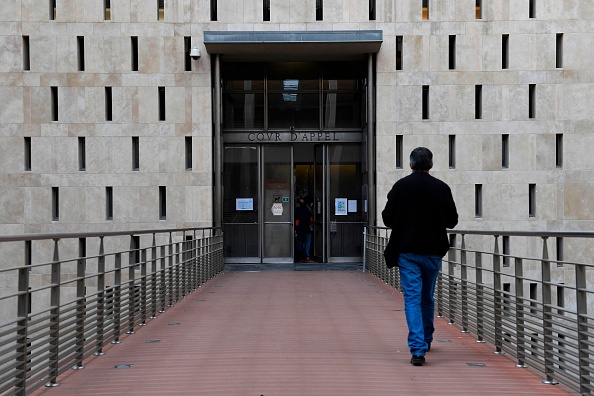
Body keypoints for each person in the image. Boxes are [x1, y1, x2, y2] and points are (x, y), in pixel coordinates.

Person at [381, 147, 458, 366]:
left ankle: (418, 349)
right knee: (427, 296)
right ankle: (426, 338)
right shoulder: (442, 188)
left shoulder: (401, 186)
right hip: (433, 251)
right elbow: (452, 220)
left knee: (412, 298)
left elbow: (387, 218)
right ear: (430, 164)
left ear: (411, 164)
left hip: (407, 251)